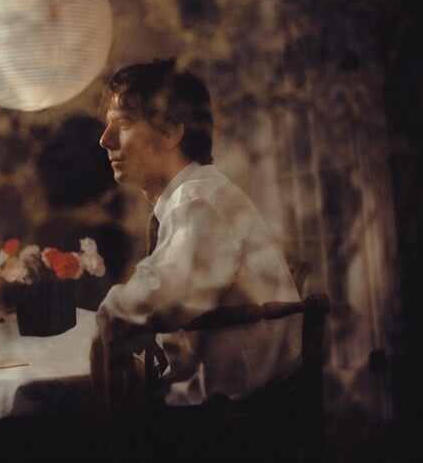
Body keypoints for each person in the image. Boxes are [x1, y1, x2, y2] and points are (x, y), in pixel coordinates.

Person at [90, 58, 303, 459]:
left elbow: (164, 296)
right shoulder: (195, 196)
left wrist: (109, 318)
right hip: (232, 410)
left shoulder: (200, 201)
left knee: (32, 435)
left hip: (231, 426)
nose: (105, 140)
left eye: (123, 123)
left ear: (171, 132)